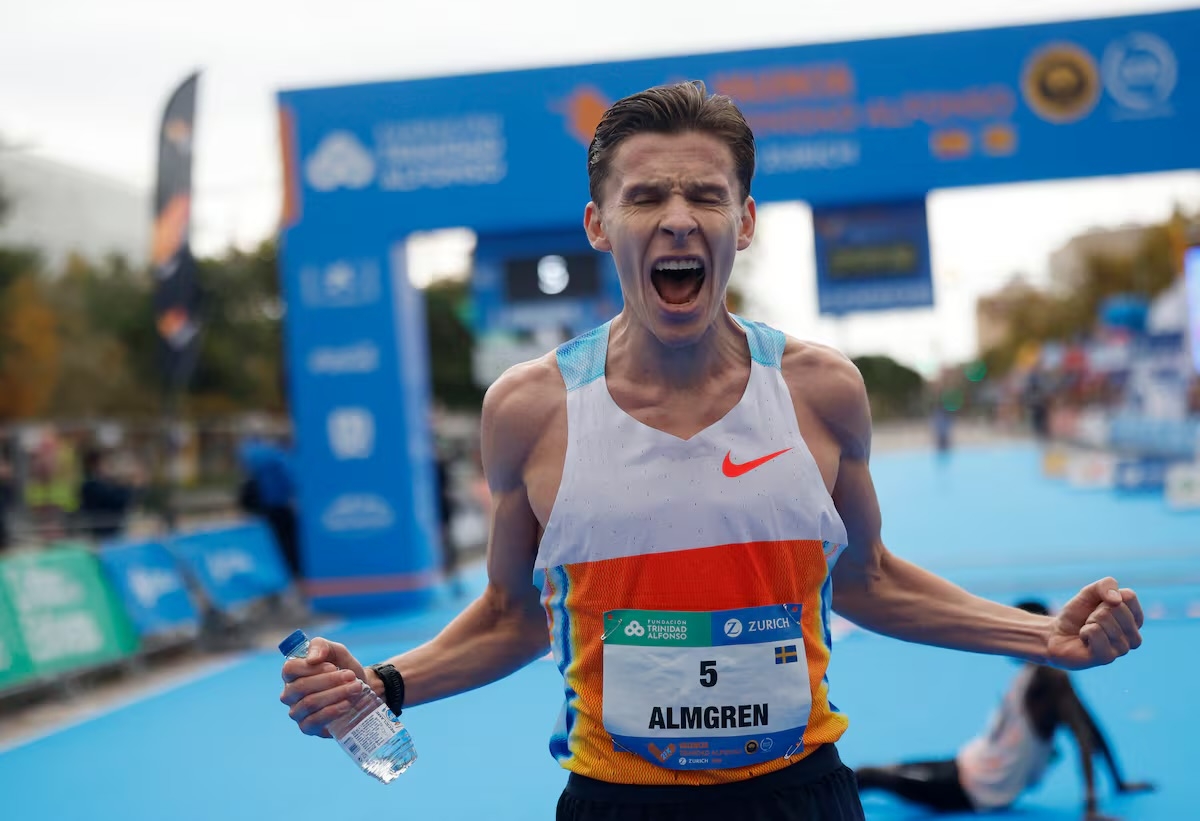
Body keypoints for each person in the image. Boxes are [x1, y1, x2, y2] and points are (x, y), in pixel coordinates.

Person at [279, 81, 1144, 821]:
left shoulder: (821, 391)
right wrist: (383, 684)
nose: (678, 219)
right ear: (598, 223)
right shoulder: (530, 408)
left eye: (705, 195)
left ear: (745, 219)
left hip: (799, 794)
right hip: (616, 801)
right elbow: (513, 615)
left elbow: (869, 578)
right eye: (646, 197)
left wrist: (1044, 634)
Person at [854, 601, 1154, 821]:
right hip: (967, 763)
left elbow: (1086, 737)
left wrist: (1091, 807)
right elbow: (1093, 730)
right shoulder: (1033, 672)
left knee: (868, 775)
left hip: (974, 790)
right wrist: (1118, 782)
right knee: (879, 772)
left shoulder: (1051, 680)